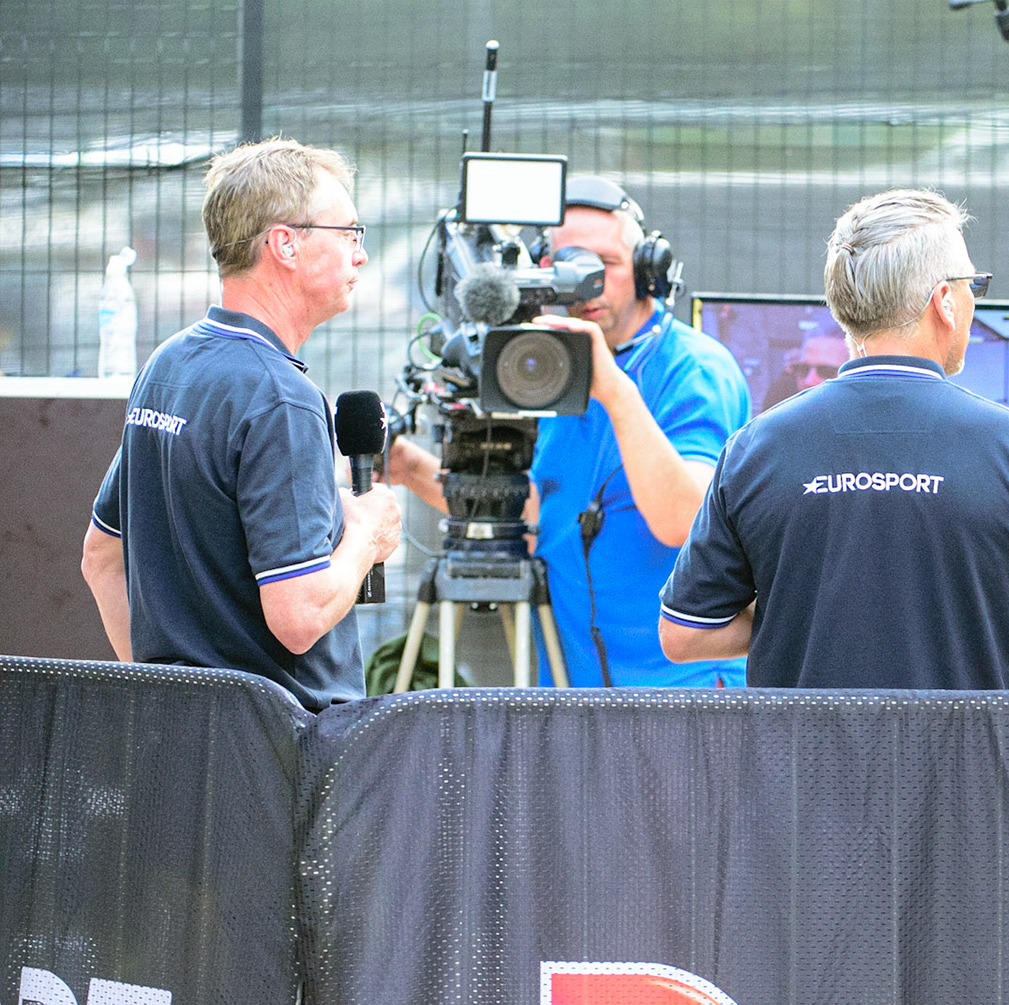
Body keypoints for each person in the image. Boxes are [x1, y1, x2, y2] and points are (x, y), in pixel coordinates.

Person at [658, 187, 1009, 689]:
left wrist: (803, 616)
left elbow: (685, 635)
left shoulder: (756, 447)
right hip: (966, 766)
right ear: (945, 301)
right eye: (971, 286)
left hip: (798, 767)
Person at [385, 175, 751, 687]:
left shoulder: (694, 369)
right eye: (570, 266)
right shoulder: (551, 368)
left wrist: (614, 391)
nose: (588, 285)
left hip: (684, 698)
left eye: (607, 265)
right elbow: (537, 511)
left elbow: (683, 520)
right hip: (578, 693)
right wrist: (407, 467)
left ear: (649, 269)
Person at [80, 138, 402, 712]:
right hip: (281, 760)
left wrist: (165, 696)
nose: (361, 253)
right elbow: (299, 616)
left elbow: (100, 556)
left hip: (177, 741)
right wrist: (366, 537)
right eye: (349, 232)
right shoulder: (282, 398)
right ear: (285, 243)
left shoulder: (168, 365)